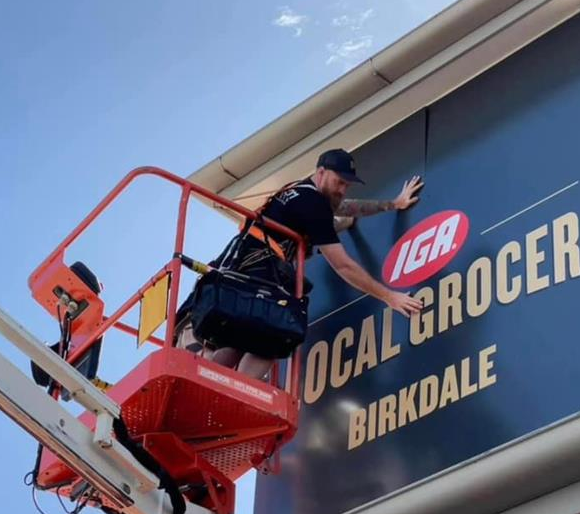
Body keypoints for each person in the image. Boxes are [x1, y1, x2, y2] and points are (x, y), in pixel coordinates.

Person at [177, 148, 424, 380]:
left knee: (240, 339)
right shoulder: (313, 204)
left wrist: (393, 203)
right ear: (321, 173)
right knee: (275, 335)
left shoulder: (299, 191)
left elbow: (345, 208)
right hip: (256, 273)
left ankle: (207, 384)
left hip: (236, 274)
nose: (342, 189)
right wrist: (390, 297)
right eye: (339, 182)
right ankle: (232, 393)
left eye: (346, 185)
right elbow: (343, 266)